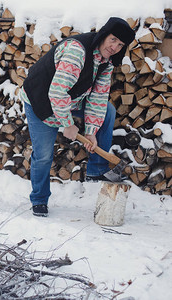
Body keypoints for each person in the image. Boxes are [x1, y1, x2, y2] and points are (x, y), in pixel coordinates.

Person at [20, 17, 135, 217]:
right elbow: (57, 92)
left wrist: (91, 132)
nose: (115, 47)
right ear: (104, 34)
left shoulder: (106, 61)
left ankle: (96, 168)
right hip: (40, 101)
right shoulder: (77, 51)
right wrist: (67, 124)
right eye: (113, 39)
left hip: (70, 99)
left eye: (121, 44)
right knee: (44, 155)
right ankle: (39, 199)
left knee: (107, 111)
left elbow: (98, 97)